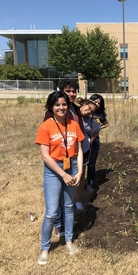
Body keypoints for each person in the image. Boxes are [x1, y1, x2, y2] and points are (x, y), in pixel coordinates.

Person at [35, 91, 84, 265]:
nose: (61, 107)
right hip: (54, 170)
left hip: (71, 167)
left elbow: (78, 150)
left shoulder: (74, 124)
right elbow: (45, 156)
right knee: (51, 213)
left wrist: (78, 173)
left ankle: (69, 241)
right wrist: (62, 174)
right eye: (57, 105)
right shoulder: (46, 126)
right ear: (51, 107)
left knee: (69, 207)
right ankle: (45, 248)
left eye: (64, 104)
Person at [44, 79, 84, 234]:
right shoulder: (52, 113)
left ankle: (67, 221)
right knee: (58, 194)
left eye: (74, 91)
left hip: (74, 157)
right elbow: (50, 137)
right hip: (58, 160)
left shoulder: (75, 109)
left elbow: (78, 133)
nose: (72, 94)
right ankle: (59, 223)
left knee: (68, 194)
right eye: (68, 91)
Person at [74, 97, 100, 210]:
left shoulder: (90, 120)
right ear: (84, 104)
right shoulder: (73, 113)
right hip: (70, 149)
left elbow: (97, 128)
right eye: (89, 108)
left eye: (92, 111)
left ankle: (77, 200)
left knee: (81, 173)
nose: (89, 112)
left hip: (83, 149)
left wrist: (90, 140)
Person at [86, 94, 109, 191]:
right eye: (95, 101)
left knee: (91, 163)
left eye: (99, 103)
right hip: (83, 141)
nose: (97, 104)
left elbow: (106, 123)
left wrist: (99, 127)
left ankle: (90, 184)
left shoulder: (100, 115)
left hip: (95, 141)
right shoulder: (85, 112)